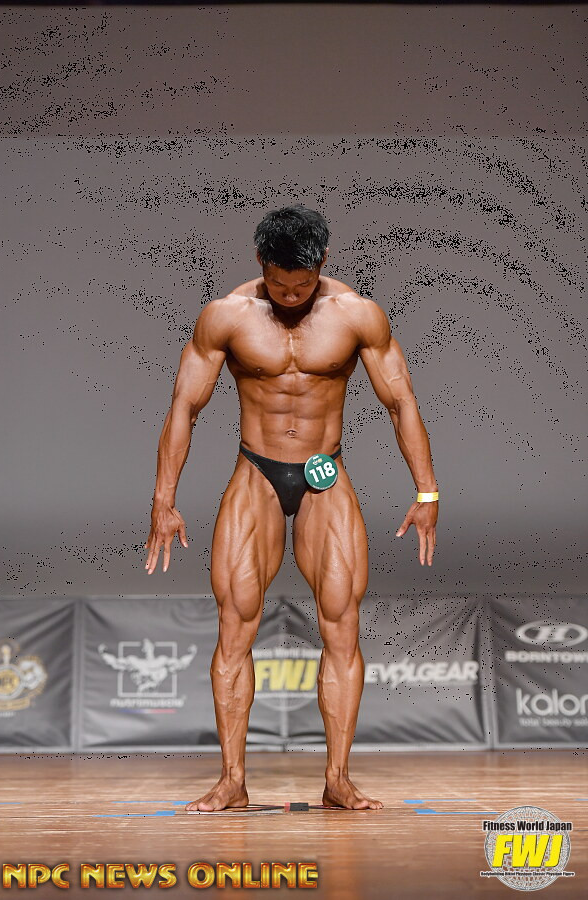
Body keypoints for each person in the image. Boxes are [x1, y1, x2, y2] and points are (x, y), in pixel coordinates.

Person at [144, 205, 439, 811]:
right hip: (256, 471)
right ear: (261, 263)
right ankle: (232, 780)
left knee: (341, 622)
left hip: (323, 475)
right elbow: (184, 406)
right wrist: (164, 501)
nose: (290, 295)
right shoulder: (226, 316)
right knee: (235, 623)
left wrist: (427, 491)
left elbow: (401, 402)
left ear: (322, 263)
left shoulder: (357, 315)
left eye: (302, 285)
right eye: (279, 285)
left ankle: (338, 779)